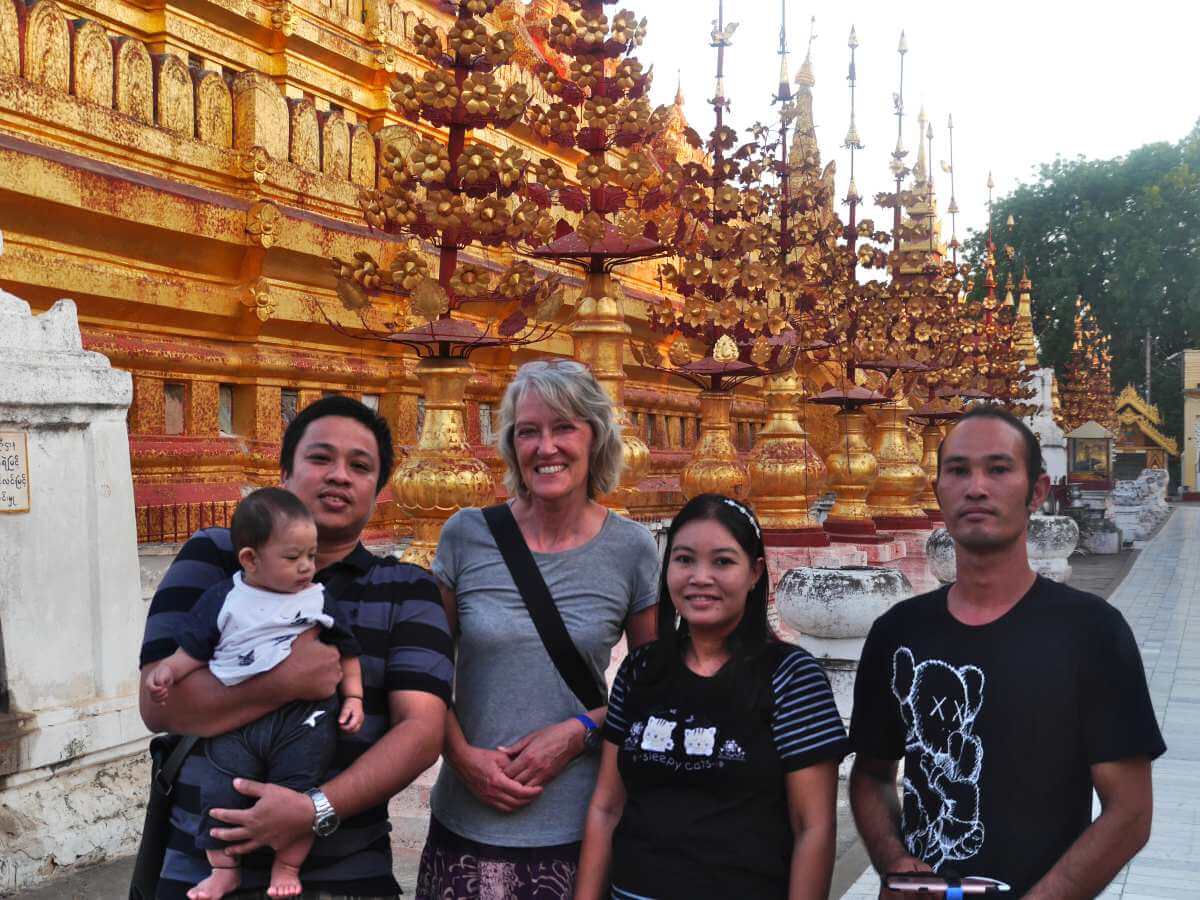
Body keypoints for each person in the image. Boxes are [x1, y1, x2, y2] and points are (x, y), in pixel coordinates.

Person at [139, 396, 454, 900]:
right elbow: (159, 706)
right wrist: (284, 681)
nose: (339, 476)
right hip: (200, 868)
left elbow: (421, 731)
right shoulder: (217, 558)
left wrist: (313, 810)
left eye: (360, 466)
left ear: (377, 489)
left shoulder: (405, 589)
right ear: (284, 473)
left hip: (346, 874)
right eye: (320, 458)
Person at [849, 405, 1165, 898]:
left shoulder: (1091, 633)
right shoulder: (897, 633)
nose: (976, 487)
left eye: (998, 469)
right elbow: (871, 775)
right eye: (958, 471)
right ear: (937, 492)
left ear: (1036, 491)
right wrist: (897, 864)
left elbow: (1129, 812)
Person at [415, 359, 660, 899]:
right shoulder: (466, 535)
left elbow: (653, 687)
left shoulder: (632, 549)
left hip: (577, 828)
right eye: (529, 431)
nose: (546, 447)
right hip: (463, 822)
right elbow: (421, 677)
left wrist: (578, 731)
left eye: (564, 427)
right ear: (511, 445)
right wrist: (460, 755)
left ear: (595, 437)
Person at [574, 494, 848, 900]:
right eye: (684, 560)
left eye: (722, 561)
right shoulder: (640, 671)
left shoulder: (792, 678)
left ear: (755, 572)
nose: (700, 577)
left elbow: (813, 827)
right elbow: (606, 806)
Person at [147, 487, 366, 899]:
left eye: (311, 556)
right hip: (236, 722)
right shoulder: (227, 600)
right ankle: (224, 868)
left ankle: (286, 866)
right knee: (216, 793)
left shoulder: (317, 598)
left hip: (304, 721)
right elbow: (194, 649)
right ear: (250, 559)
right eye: (292, 557)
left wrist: (353, 697)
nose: (306, 567)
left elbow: (347, 650)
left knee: (298, 793)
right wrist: (168, 673)